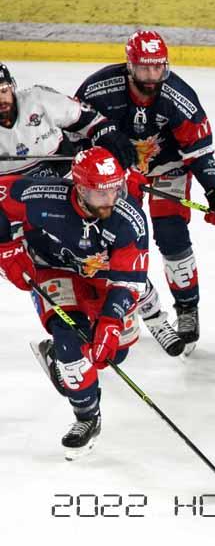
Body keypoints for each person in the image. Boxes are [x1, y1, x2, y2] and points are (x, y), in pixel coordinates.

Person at [75, 30, 215, 357]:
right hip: (118, 176)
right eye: (145, 68)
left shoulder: (179, 97)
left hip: (168, 169)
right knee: (116, 240)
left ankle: (187, 308)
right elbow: (76, 138)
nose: (152, 76)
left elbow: (199, 150)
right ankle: (129, 308)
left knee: (172, 234)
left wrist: (213, 189)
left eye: (158, 67)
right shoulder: (98, 90)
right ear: (130, 66)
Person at [0, 147, 148, 459]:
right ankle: (87, 416)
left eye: (115, 189)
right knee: (71, 339)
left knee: (111, 354)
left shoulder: (128, 219)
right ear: (80, 189)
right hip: (54, 268)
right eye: (101, 193)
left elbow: (128, 281)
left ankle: (59, 357)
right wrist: (6, 247)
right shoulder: (43, 197)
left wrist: (110, 322)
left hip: (104, 278)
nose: (110, 200)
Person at [0, 62, 136, 179]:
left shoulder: (38, 99)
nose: (1, 99)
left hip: (64, 181)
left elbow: (87, 118)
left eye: (3, 89)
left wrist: (106, 134)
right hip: (8, 191)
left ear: (12, 86)